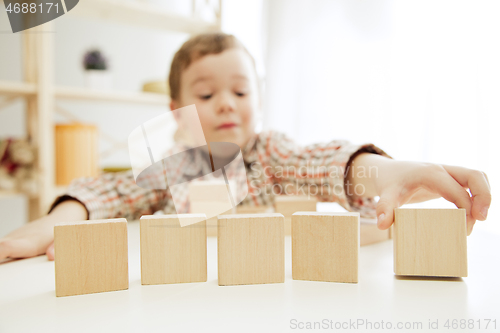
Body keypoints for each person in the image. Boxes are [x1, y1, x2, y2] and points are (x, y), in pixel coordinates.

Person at [0, 33, 491, 262]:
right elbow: (106, 193)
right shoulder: (173, 170)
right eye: (207, 95)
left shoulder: (271, 155)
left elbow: (327, 163)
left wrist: (393, 171)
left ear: (259, 98)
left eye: (240, 92)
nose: (226, 105)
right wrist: (54, 223)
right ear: (176, 109)